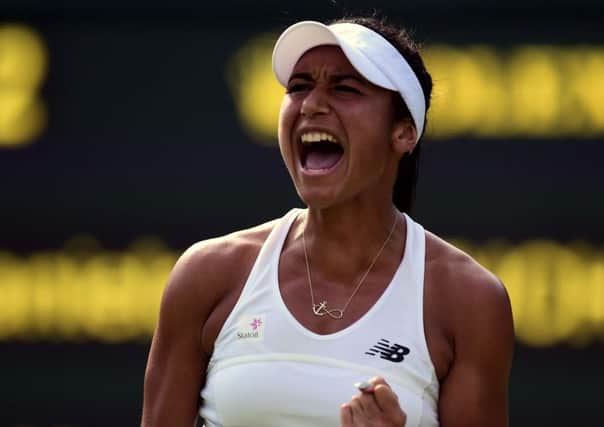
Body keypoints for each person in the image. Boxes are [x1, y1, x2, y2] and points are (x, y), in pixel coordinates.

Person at [141, 16, 514, 427]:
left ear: (404, 132)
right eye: (299, 87)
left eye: (345, 88)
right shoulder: (207, 275)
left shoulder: (469, 301)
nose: (312, 104)